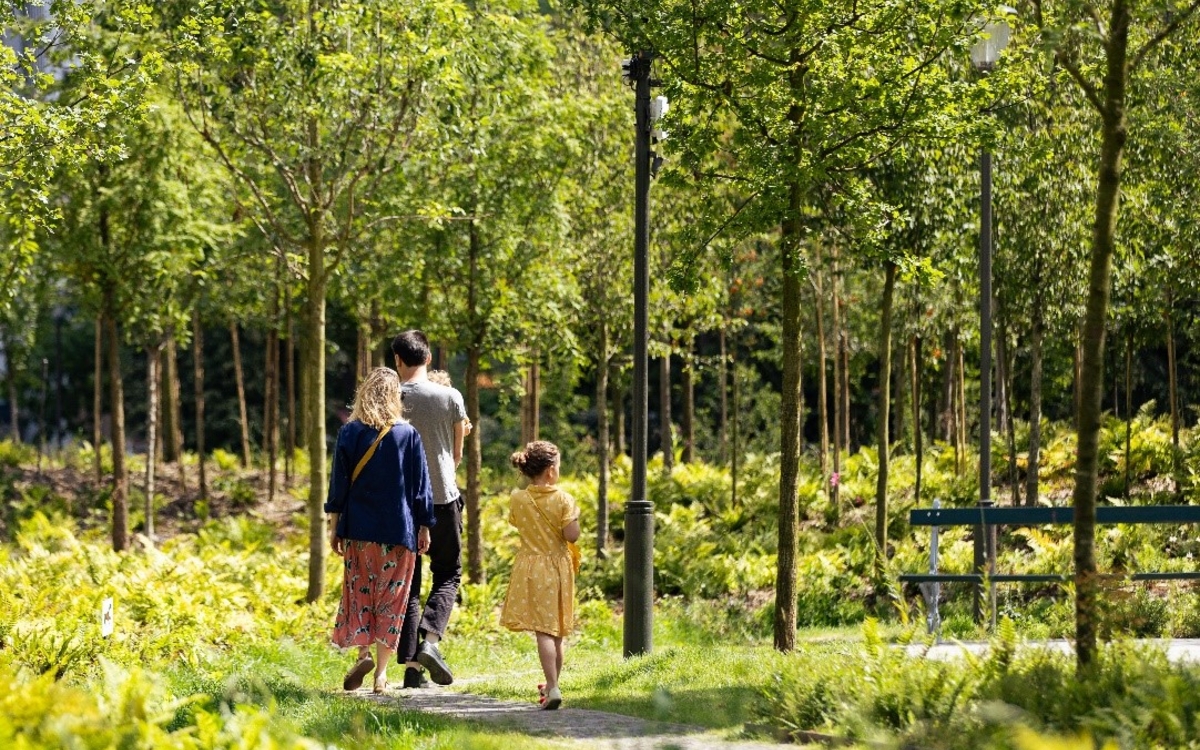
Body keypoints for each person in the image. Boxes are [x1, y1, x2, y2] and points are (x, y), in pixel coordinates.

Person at [326, 367, 433, 694]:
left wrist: (334, 527)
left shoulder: (349, 432)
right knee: (392, 599)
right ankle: (381, 676)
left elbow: (338, 484)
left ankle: (362, 654)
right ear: (394, 397)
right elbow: (420, 487)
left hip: (359, 528)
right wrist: (425, 526)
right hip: (399, 530)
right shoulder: (408, 435)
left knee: (359, 595)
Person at [392, 331, 468, 688]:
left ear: (397, 360)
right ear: (428, 358)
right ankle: (430, 641)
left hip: (400, 503)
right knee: (448, 572)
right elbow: (455, 456)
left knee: (409, 582)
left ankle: (411, 670)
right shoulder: (450, 396)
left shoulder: (388, 399)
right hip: (442, 496)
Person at [501, 441, 580, 710]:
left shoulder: (518, 498)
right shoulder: (564, 499)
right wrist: (574, 518)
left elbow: (516, 522)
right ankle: (553, 685)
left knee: (543, 631)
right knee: (555, 632)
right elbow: (572, 535)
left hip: (531, 567)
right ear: (550, 471)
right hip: (558, 567)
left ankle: (551, 686)